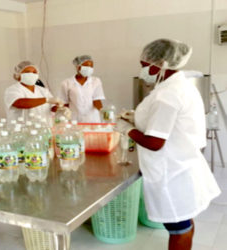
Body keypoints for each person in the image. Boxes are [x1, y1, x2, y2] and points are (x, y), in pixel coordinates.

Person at [118, 39, 221, 250]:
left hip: (171, 172)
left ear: (161, 63)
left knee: (178, 227)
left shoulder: (168, 94)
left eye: (144, 64)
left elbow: (155, 142)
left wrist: (124, 129)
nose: (143, 69)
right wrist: (135, 118)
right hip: (182, 165)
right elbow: (166, 123)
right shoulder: (179, 86)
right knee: (184, 220)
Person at [58, 55, 105, 123]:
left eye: (91, 66)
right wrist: (65, 116)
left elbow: (97, 100)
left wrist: (103, 111)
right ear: (78, 67)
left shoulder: (96, 81)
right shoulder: (66, 83)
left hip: (92, 119)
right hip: (74, 119)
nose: (89, 68)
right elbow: (64, 103)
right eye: (87, 66)